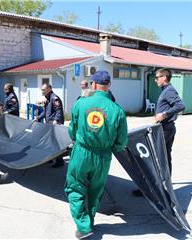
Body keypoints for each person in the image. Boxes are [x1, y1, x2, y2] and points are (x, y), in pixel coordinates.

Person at [64, 70, 128, 239]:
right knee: (96, 190)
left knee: (74, 187)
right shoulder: (118, 110)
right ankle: (89, 222)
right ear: (108, 86)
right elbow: (121, 142)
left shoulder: (81, 104)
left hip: (82, 152)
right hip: (103, 156)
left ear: (93, 84)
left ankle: (83, 226)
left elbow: (72, 130)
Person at [132, 68, 185, 197]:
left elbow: (180, 105)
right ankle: (161, 188)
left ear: (164, 78)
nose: (155, 80)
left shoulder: (169, 91)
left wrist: (164, 114)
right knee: (162, 158)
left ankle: (157, 189)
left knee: (158, 158)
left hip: (165, 129)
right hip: (164, 128)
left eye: (157, 77)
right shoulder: (166, 91)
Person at [34, 83, 65, 168]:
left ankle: (59, 161)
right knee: (49, 142)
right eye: (42, 90)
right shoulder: (48, 98)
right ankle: (50, 158)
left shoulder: (54, 98)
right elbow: (46, 111)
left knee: (55, 143)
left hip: (54, 124)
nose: (42, 92)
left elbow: (59, 111)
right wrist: (38, 118)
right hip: (49, 123)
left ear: (49, 89)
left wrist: (56, 120)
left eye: (44, 90)